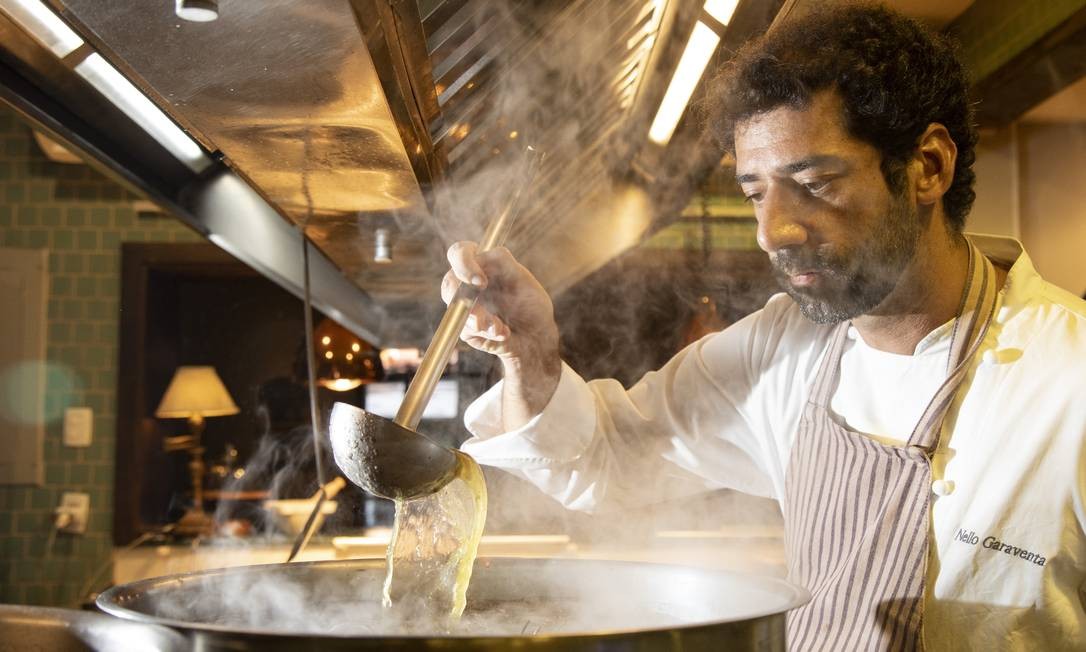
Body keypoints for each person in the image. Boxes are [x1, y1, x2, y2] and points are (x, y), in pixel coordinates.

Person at [441, 4, 1086, 650]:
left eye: (815, 182)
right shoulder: (781, 351)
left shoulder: (1068, 375)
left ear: (929, 166)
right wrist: (529, 355)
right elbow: (605, 458)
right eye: (755, 193)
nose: (772, 232)